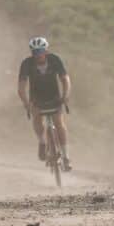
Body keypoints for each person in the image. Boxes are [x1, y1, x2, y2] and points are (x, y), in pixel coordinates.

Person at [17, 37, 72, 171]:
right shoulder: (26, 64)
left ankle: (66, 157)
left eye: (40, 51)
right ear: (32, 53)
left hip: (54, 97)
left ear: (46, 50)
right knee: (36, 118)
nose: (38, 54)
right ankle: (42, 142)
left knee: (59, 123)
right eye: (35, 52)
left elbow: (65, 79)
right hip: (37, 98)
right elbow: (21, 87)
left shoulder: (55, 59)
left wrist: (65, 96)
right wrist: (26, 103)